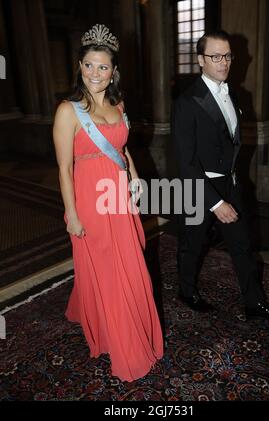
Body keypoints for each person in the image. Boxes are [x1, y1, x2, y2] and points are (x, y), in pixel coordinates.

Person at [53, 24, 163, 382]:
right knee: (110, 270)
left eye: (103, 67)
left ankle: (95, 310)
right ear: (79, 66)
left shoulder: (119, 104)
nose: (95, 73)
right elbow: (64, 169)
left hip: (118, 197)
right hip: (89, 198)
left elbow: (121, 147)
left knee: (129, 261)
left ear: (114, 71)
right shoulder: (68, 111)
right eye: (89, 65)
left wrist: (133, 174)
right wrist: (71, 212)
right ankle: (125, 345)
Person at [171, 30, 269, 320]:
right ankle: (187, 291)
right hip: (199, 189)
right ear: (200, 60)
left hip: (231, 184)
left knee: (243, 245)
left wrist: (230, 188)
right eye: (215, 56)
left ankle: (254, 302)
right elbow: (186, 163)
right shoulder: (187, 102)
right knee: (192, 245)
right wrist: (215, 202)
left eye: (227, 56)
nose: (223, 62)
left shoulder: (234, 92)